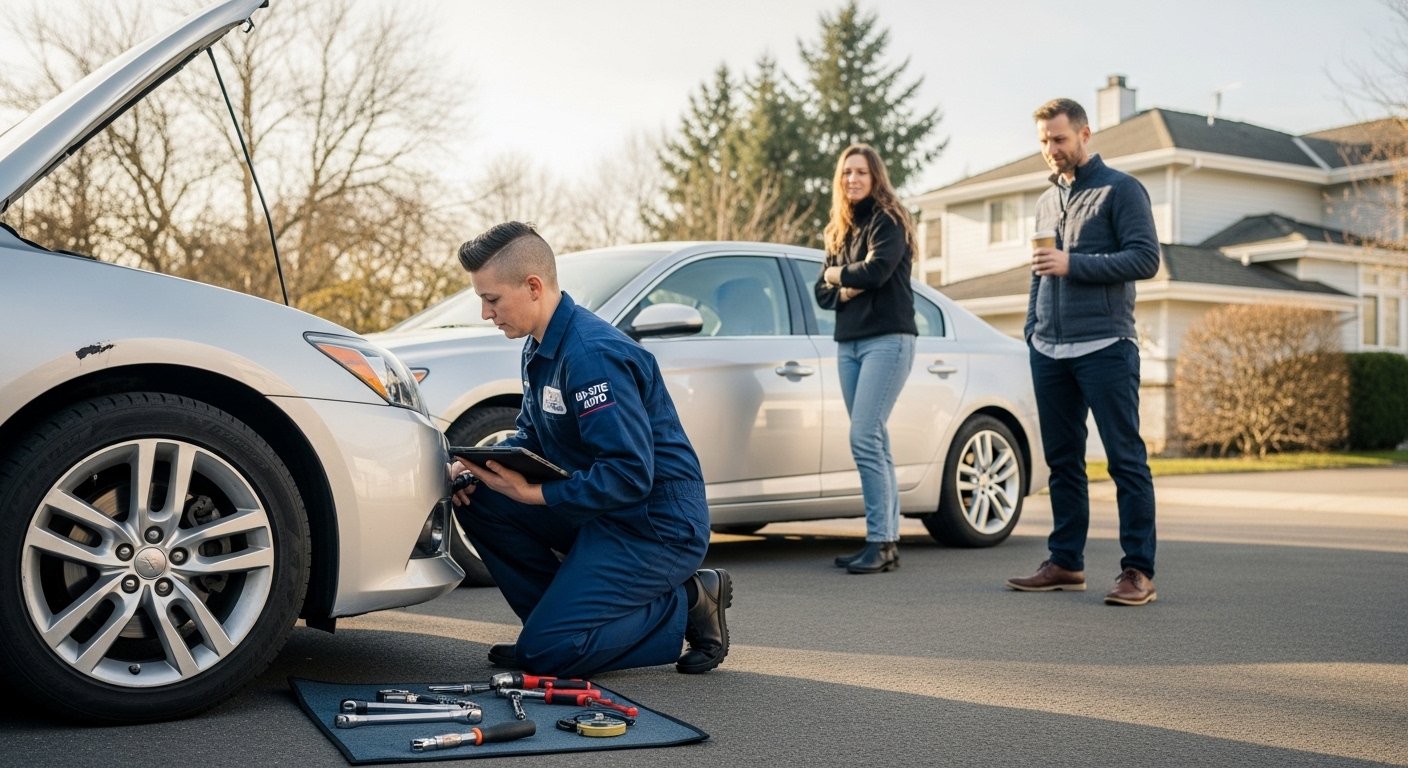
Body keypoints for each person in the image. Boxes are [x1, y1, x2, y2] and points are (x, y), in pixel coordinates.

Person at [447, 220, 731, 676]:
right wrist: (469, 464)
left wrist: (533, 495)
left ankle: (689, 599)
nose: (485, 312)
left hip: (655, 525)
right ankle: (556, 628)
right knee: (479, 499)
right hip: (602, 508)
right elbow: (534, 437)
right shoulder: (539, 346)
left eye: (491, 299)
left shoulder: (591, 356)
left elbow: (628, 474)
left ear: (534, 286)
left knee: (546, 656)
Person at [1005, 98, 1161, 606]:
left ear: (1085, 134)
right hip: (1049, 348)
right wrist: (1033, 327)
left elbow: (1145, 258)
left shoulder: (1121, 190)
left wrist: (1074, 264)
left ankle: (1137, 570)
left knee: (1125, 460)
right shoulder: (1046, 202)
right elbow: (1039, 270)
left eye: (1059, 139)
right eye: (1044, 142)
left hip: (1106, 345)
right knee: (1063, 462)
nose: (1051, 150)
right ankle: (1066, 562)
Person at [814, 144, 918, 575]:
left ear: (875, 177)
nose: (852, 179)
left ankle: (878, 539)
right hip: (849, 343)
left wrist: (839, 276)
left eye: (861, 172)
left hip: (887, 340)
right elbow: (821, 294)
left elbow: (876, 272)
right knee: (875, 440)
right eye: (846, 173)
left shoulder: (888, 220)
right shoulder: (838, 229)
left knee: (863, 436)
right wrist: (843, 283)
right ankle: (887, 541)